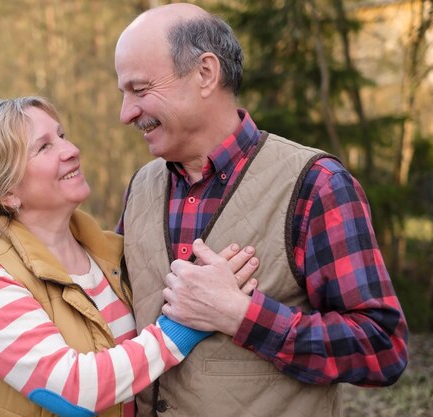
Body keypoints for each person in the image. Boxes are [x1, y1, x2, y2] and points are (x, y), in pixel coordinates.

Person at [114, 3, 409, 417]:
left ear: (205, 74)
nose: (125, 113)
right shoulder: (140, 188)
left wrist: (242, 315)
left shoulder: (316, 184)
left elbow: (383, 348)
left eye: (140, 90)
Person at [0, 96, 259, 417]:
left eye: (62, 136)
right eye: (44, 147)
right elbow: (75, 392)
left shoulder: (115, 252)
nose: (72, 150)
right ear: (6, 192)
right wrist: (183, 326)